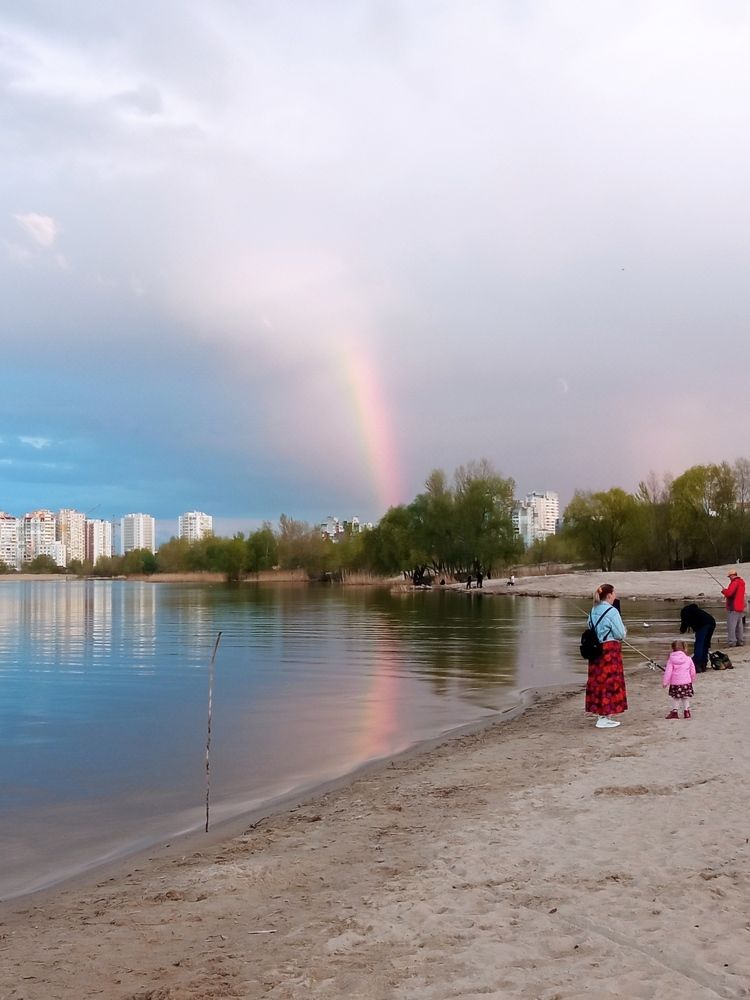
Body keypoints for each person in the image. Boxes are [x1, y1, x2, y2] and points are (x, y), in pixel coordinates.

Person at [586, 583, 628, 729]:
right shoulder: (612, 611)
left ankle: (603, 715)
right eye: (614, 593)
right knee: (610, 682)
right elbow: (620, 634)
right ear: (609, 595)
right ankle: (604, 717)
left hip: (595, 650)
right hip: (609, 650)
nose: (616, 595)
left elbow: (590, 627)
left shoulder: (593, 610)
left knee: (598, 681)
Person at [662, 639, 696, 720]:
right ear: (684, 648)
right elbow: (693, 670)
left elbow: (668, 672)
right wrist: (692, 679)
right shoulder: (688, 659)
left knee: (676, 698)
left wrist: (665, 682)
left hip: (675, 683)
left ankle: (675, 712)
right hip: (686, 682)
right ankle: (686, 711)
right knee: (685, 697)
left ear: (672, 649)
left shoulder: (671, 659)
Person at [679, 603, 716, 672]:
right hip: (712, 622)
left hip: (703, 625)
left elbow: (684, 623)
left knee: (699, 643)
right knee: (705, 643)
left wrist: (682, 630)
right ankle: (703, 663)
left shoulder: (685, 612)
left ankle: (697, 663)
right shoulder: (696, 611)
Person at [720, 569, 746, 647]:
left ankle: (732, 642)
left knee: (731, 626)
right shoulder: (741, 583)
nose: (729, 578)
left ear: (733, 575)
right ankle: (740, 641)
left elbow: (729, 593)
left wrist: (724, 591)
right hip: (740, 607)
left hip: (733, 607)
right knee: (739, 626)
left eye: (730, 576)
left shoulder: (734, 583)